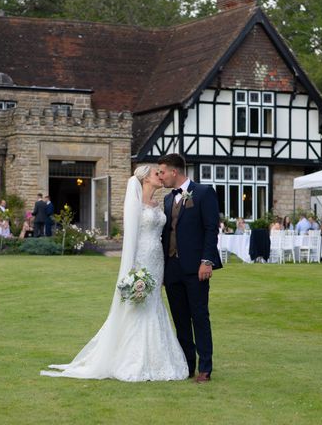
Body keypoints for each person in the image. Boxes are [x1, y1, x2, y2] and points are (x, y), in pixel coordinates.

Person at [41, 165, 188, 381]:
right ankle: (132, 358)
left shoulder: (160, 204)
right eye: (156, 173)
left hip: (158, 258)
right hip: (141, 258)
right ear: (145, 179)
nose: (160, 176)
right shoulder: (135, 203)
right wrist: (132, 270)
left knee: (155, 301)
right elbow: (131, 237)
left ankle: (159, 356)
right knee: (138, 304)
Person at [157, 153, 222, 383]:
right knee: (180, 319)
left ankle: (205, 367)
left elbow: (211, 228)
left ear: (175, 172)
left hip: (196, 267)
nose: (159, 176)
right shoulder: (167, 200)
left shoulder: (204, 193)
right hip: (172, 268)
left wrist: (207, 261)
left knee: (199, 316)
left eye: (162, 172)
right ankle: (187, 365)